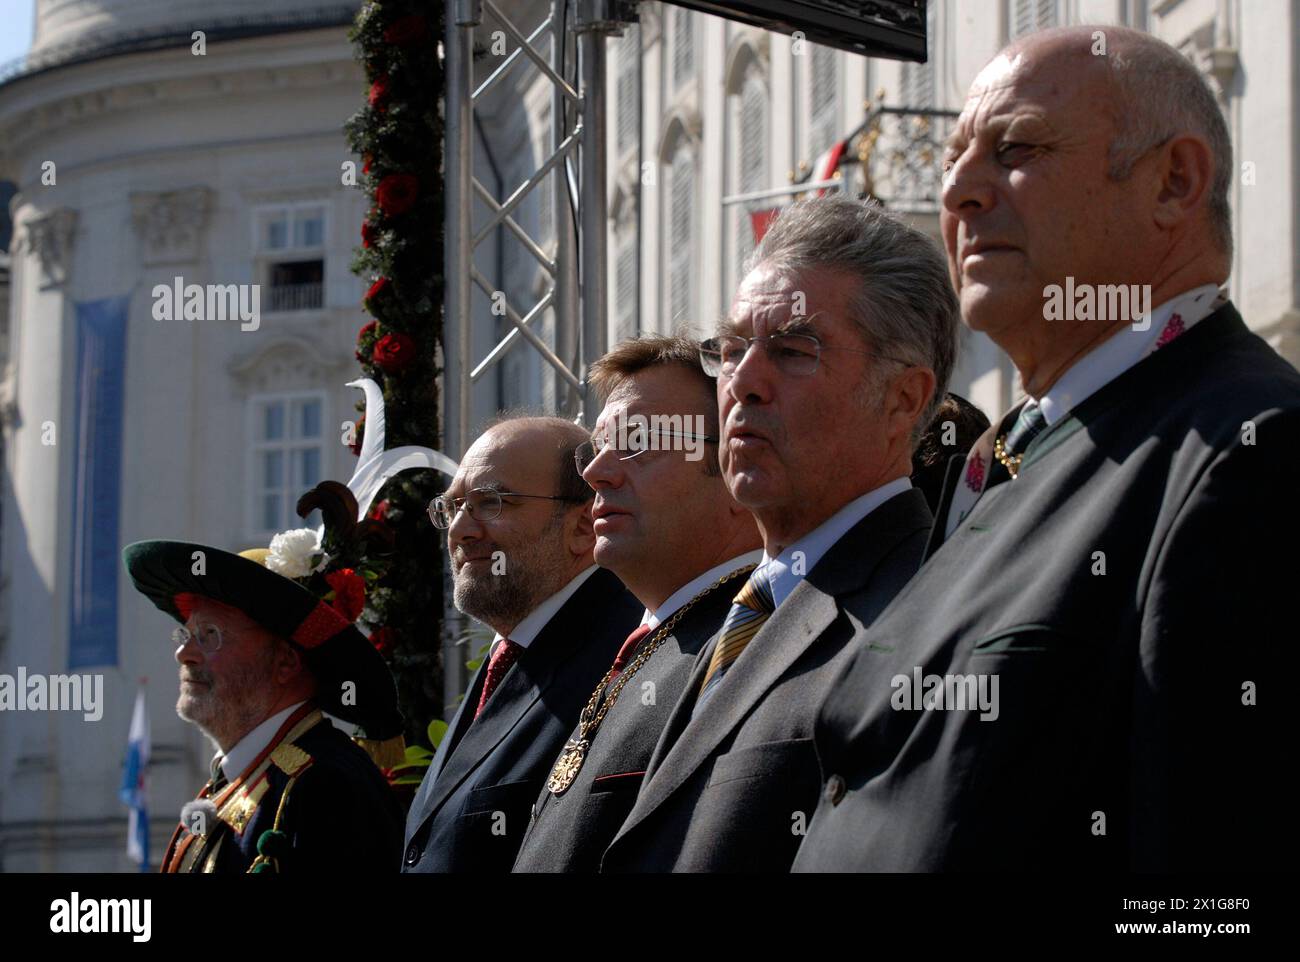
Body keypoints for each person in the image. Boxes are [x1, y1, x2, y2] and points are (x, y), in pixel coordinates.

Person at [793, 25, 1298, 872]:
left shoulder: (1248, 451)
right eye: (956, 157)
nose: (956, 192)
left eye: (1014, 148)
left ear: (1174, 182)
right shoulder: (1017, 457)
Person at [600, 197, 959, 872]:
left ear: (904, 398)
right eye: (733, 349)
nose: (744, 383)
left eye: (793, 351)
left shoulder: (926, 617)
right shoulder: (719, 619)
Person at [511, 336, 763, 873]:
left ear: (734, 458)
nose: (595, 472)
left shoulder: (749, 649)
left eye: (636, 440)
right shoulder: (657, 643)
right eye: (596, 448)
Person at [402, 416, 641, 872]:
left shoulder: (622, 663)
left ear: (583, 527)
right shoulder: (511, 656)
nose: (460, 531)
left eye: (491, 502)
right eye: (452, 508)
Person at [122, 539, 406, 873]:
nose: (184, 653)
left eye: (209, 634)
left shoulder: (325, 785)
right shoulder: (242, 778)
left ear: (285, 662)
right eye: (186, 635)